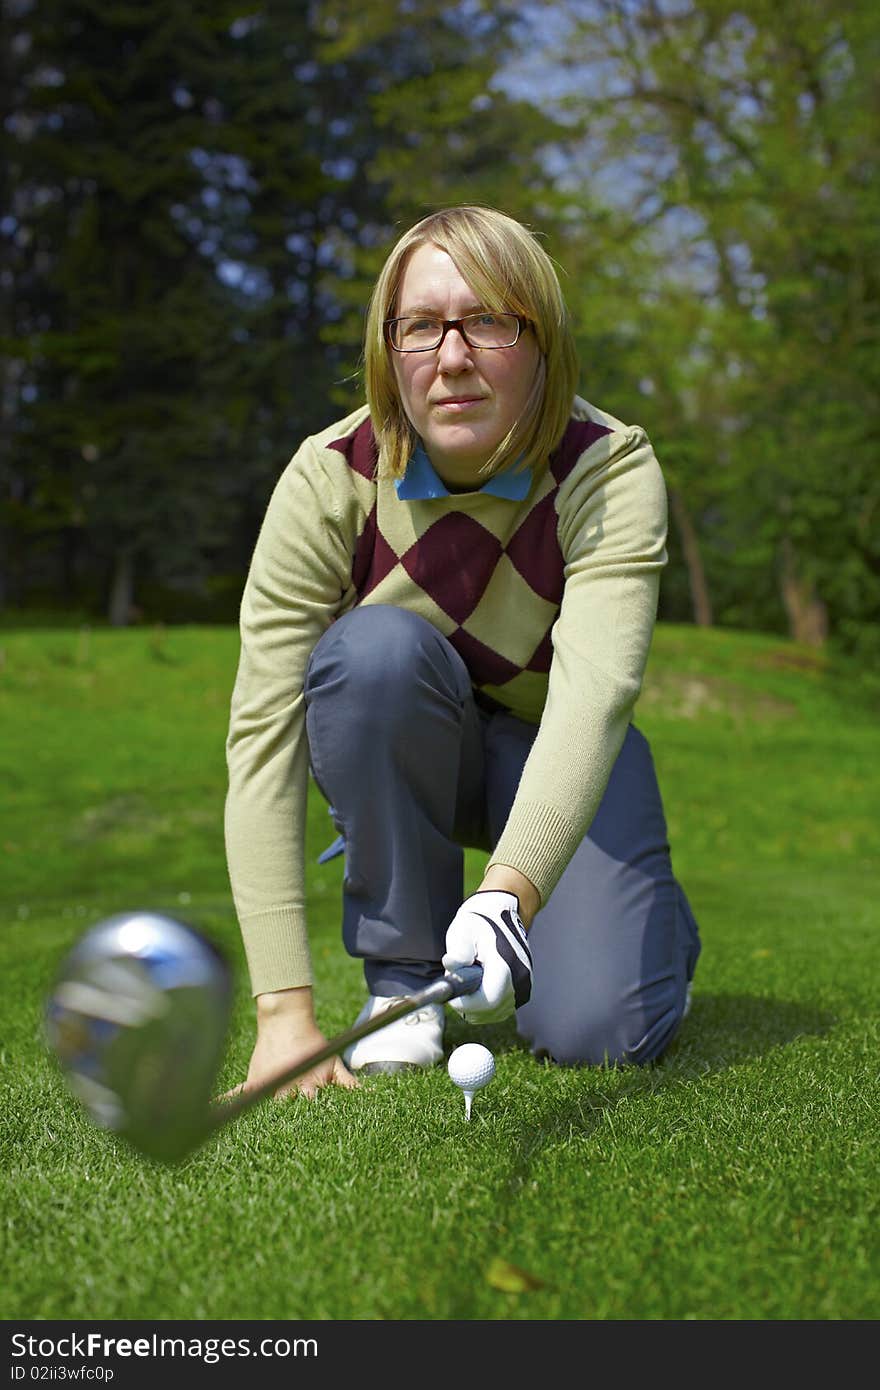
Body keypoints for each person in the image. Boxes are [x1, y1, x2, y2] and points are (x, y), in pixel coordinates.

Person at [223, 204, 701, 1100]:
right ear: (387, 348)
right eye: (421, 326)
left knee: (600, 1031)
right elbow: (263, 744)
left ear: (541, 340)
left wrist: (506, 896)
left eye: (488, 320)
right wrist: (284, 1015)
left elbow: (594, 697)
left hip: (553, 749)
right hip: (409, 746)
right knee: (372, 655)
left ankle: (654, 923)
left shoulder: (611, 466)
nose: (452, 357)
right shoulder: (328, 474)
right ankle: (404, 986)